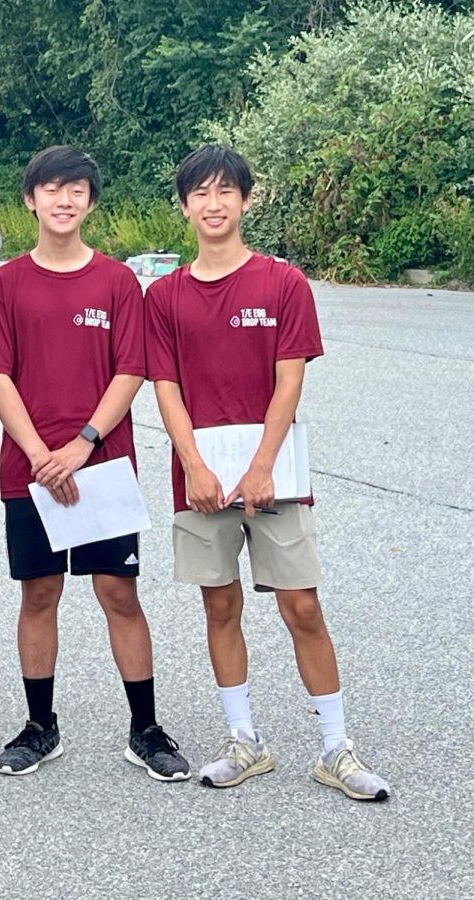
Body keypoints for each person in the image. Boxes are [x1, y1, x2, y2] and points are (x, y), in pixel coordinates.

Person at [146, 144, 390, 801]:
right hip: (200, 480)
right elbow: (165, 388)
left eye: (226, 191)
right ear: (185, 206)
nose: (214, 203)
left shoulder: (283, 284)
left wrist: (261, 467)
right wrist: (194, 465)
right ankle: (244, 741)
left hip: (275, 475)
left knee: (302, 605)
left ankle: (337, 749)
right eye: (200, 193)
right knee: (218, 603)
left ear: (248, 200)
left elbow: (289, 383)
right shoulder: (164, 296)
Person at [0, 146, 190, 781]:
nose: (63, 200)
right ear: (30, 200)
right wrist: (42, 454)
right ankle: (40, 726)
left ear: (91, 202)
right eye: (51, 189)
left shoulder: (118, 282)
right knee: (38, 594)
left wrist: (84, 444)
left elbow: (132, 370)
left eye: (76, 190)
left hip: (101, 464)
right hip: (31, 470)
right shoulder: (7, 284)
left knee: (118, 593)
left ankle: (145, 729)